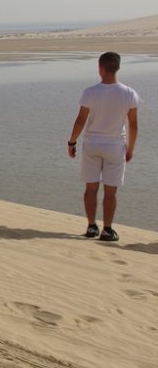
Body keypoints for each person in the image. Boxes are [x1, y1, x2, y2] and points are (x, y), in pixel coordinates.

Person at [66, 52, 140, 242]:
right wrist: (130, 148)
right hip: (115, 146)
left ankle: (91, 226)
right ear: (118, 68)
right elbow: (133, 124)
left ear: (100, 68)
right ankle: (107, 229)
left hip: (92, 144)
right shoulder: (129, 93)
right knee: (110, 191)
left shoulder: (90, 92)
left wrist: (72, 142)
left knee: (90, 188)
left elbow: (80, 120)